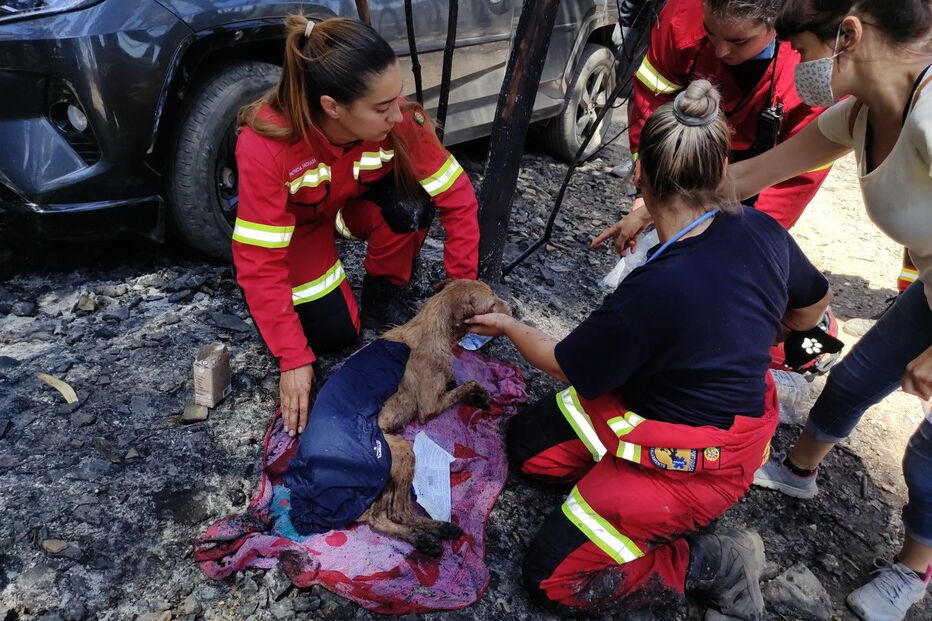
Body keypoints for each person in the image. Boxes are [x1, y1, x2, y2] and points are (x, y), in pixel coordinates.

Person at [467, 80, 833, 618]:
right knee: (527, 447)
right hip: (666, 407)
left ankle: (710, 559)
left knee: (552, 579)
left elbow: (563, 362)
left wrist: (509, 325)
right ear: (715, 170)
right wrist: (768, 338)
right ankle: (618, 500)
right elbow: (814, 303)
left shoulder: (655, 289)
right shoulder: (759, 227)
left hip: (699, 457)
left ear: (641, 174)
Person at [722, 1, 932, 619]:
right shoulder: (863, 114)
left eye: (805, 52)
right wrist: (664, 199)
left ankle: (914, 570)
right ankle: (798, 472)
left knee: (927, 456)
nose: (799, 69)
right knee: (853, 380)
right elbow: (760, 169)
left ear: (849, 34)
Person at [233, 16, 480, 437]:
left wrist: (461, 293)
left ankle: (383, 297)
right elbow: (259, 258)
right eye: (382, 107)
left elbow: (458, 198)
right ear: (332, 106)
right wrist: (292, 358)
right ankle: (313, 311)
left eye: (396, 98)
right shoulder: (267, 144)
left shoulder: (398, 121)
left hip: (349, 211)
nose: (397, 114)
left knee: (408, 209)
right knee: (334, 336)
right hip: (300, 233)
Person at [602, 0, 832, 234]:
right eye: (710, 32)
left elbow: (798, 174)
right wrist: (648, 183)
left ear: (776, 24)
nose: (721, 51)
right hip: (690, 140)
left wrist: (754, 236)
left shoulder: (810, 70)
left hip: (765, 156)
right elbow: (651, 97)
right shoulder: (682, 13)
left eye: (738, 41)